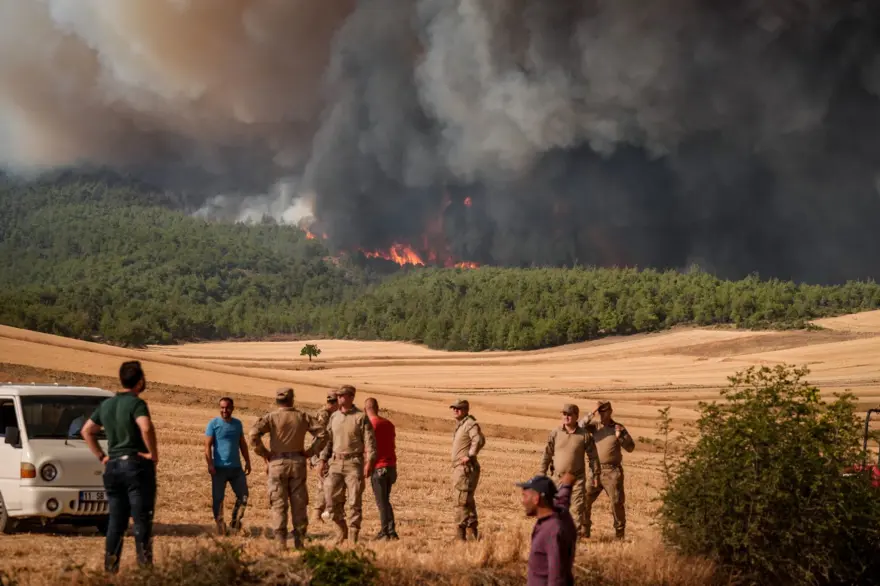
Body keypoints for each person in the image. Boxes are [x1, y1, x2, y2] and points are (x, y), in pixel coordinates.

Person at [81, 360, 158, 574]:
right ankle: (145, 570)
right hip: (135, 467)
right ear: (140, 381)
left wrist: (102, 457)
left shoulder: (107, 404)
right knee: (141, 520)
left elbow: (87, 431)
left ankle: (111, 569)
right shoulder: (136, 403)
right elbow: (146, 426)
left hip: (112, 467)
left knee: (115, 521)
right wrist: (152, 453)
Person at [248, 387, 328, 549]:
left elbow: (253, 435)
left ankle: (280, 544)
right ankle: (299, 543)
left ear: (277, 400)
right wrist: (310, 452)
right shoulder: (302, 416)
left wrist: (265, 453)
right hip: (297, 462)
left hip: (277, 462)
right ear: (292, 399)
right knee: (298, 503)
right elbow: (323, 434)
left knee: (278, 504)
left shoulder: (271, 418)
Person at [317, 385, 377, 544]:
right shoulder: (334, 416)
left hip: (354, 463)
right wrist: (322, 459)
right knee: (330, 498)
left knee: (354, 501)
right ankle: (341, 529)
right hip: (335, 463)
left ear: (351, 397)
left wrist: (369, 461)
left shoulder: (360, 417)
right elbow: (328, 441)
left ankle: (352, 538)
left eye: (342, 396)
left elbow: (370, 442)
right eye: (338, 396)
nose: (339, 398)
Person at [539, 403, 600, 539]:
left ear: (576, 417)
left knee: (577, 508)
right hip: (558, 478)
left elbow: (593, 457)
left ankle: (575, 537)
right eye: (564, 414)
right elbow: (547, 454)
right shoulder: (555, 433)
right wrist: (542, 473)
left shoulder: (584, 435)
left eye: (569, 414)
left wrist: (595, 474)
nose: (566, 417)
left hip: (577, 479)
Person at [579, 400, 636, 539]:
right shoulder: (594, 427)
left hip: (612, 472)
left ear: (610, 412)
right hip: (595, 471)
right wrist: (592, 411)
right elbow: (579, 426)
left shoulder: (618, 428)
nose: (601, 415)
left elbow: (631, 448)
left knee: (616, 502)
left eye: (604, 412)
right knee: (584, 500)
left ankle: (619, 534)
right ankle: (584, 531)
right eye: (600, 412)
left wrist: (621, 437)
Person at [517, 472, 577, 586]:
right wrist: (567, 485)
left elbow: (557, 578)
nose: (522, 501)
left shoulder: (552, 531)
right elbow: (562, 500)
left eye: (525, 496)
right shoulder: (560, 513)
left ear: (536, 499)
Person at [205, 397, 252, 535]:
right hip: (219, 469)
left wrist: (248, 461)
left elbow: (242, 443)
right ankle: (220, 526)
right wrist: (210, 464)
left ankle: (235, 522)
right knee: (218, 499)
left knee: (243, 496)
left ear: (232, 408)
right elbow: (207, 445)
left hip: (236, 468)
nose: (224, 410)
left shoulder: (238, 424)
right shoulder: (213, 424)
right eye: (222, 408)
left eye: (227, 408)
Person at [449, 398, 486, 541]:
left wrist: (469, 455)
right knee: (467, 500)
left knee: (461, 500)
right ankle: (473, 534)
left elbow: (479, 440)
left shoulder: (470, 424)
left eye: (458, 408)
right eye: (453, 408)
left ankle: (460, 536)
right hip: (461, 468)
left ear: (465, 410)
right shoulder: (462, 424)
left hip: (465, 469)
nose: (455, 410)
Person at [364, 397, 398, 540]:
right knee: (386, 500)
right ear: (377, 407)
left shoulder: (370, 426)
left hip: (378, 467)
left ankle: (385, 531)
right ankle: (391, 531)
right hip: (391, 467)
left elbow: (368, 448)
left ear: (365, 409)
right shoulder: (389, 424)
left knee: (381, 502)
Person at [310, 392, 338, 524]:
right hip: (322, 453)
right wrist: (322, 458)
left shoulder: (329, 413)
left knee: (328, 483)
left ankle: (327, 510)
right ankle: (317, 514)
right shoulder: (325, 414)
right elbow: (322, 437)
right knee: (324, 483)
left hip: (326, 453)